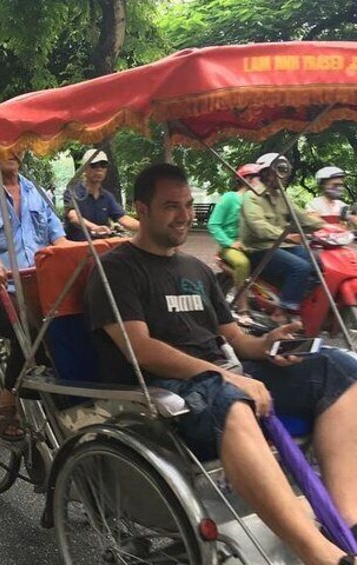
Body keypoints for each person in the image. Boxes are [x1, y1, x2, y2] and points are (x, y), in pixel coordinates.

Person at [85, 162, 357, 565]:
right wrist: (227, 377)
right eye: (170, 206)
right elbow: (140, 348)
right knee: (231, 397)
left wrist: (267, 345)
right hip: (165, 393)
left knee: (338, 368)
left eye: (188, 205)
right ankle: (320, 555)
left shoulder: (196, 269)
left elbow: (234, 340)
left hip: (223, 375)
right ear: (140, 209)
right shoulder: (115, 269)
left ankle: (345, 524)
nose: (183, 216)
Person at [0, 150, 68, 440]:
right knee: (32, 326)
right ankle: (8, 398)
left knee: (72, 325)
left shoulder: (37, 193)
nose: (14, 150)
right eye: (4, 143)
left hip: (36, 291)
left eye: (19, 143)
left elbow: (59, 239)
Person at [241, 153, 325, 324]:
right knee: (300, 267)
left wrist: (327, 227)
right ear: (265, 173)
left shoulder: (282, 197)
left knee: (320, 263)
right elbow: (258, 227)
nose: (283, 175)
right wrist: (286, 236)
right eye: (278, 170)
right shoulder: (252, 197)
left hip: (281, 247)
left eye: (285, 171)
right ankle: (282, 311)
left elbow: (302, 218)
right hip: (259, 249)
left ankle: (293, 300)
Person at [208, 163, 262, 322]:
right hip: (231, 247)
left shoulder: (259, 201)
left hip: (252, 245)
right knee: (243, 264)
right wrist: (229, 243)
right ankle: (243, 308)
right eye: (259, 178)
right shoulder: (230, 198)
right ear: (248, 179)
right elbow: (213, 224)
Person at [63, 149, 139, 240]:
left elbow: (123, 218)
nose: (99, 169)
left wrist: (149, 228)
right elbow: (73, 217)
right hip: (76, 248)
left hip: (100, 249)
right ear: (84, 168)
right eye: (94, 165)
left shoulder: (107, 197)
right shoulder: (73, 191)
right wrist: (93, 227)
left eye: (103, 165)